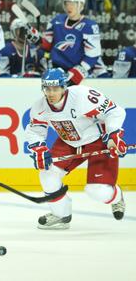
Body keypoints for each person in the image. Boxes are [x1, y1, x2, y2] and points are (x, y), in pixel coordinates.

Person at [25, 68, 127, 229]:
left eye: (55, 88)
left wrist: (114, 135)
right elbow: (34, 130)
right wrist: (39, 149)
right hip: (69, 141)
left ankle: (116, 197)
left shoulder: (83, 96)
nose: (51, 93)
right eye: (47, 89)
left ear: (64, 87)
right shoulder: (40, 107)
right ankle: (61, 215)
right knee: (47, 174)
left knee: (96, 191)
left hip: (98, 141)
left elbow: (115, 111)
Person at [40, 0, 108, 86]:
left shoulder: (90, 26)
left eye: (73, 3)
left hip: (80, 69)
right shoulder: (56, 21)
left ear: (81, 5)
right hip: (59, 68)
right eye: (67, 3)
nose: (69, 6)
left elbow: (93, 55)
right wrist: (35, 37)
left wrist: (79, 71)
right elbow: (46, 45)